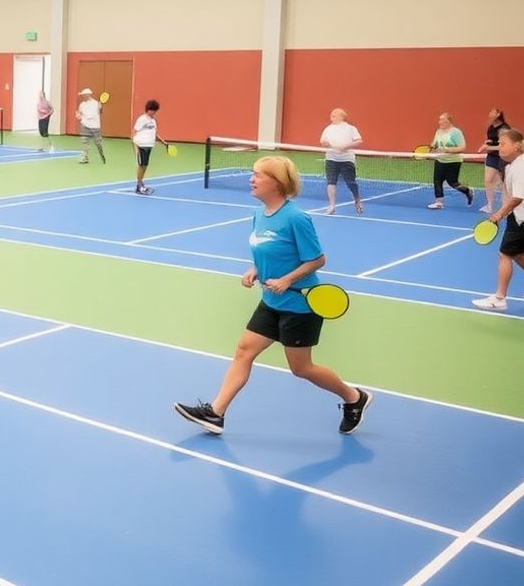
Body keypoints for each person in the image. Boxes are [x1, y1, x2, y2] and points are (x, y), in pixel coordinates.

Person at [174, 156, 371, 435]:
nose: (251, 180)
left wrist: (287, 279)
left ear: (277, 183)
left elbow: (317, 260)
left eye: (258, 175)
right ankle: (215, 413)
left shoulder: (296, 218)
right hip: (271, 301)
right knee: (244, 351)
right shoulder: (258, 215)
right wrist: (254, 268)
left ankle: (354, 397)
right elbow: (265, 252)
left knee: (301, 369)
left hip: (299, 304)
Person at [472, 129, 524, 312]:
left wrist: (498, 215)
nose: (499, 147)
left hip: (523, 218)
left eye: (503, 144)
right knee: (517, 253)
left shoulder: (520, 167)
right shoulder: (516, 163)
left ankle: (499, 298)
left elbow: (517, 198)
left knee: (504, 254)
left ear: (517, 145)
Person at [319, 108, 363, 214]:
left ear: (342, 116)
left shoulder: (351, 128)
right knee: (331, 182)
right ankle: (331, 206)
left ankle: (357, 201)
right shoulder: (328, 128)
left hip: (347, 159)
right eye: (331, 114)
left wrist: (346, 146)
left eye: (335, 114)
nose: (332, 115)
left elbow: (359, 141)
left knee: (351, 183)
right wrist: (324, 142)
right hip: (331, 158)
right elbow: (322, 141)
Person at [427, 111, 474, 209]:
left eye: (442, 119)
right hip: (440, 160)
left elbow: (462, 148)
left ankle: (467, 191)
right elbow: (435, 143)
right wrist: (433, 146)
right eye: (439, 120)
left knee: (453, 183)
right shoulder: (438, 131)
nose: (439, 122)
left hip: (453, 162)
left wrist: (447, 150)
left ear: (448, 121)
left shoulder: (456, 132)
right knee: (437, 180)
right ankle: (439, 202)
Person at [131, 99, 170, 194]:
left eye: (155, 110)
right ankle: (139, 186)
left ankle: (139, 185)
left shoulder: (153, 121)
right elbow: (133, 132)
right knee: (141, 165)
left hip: (149, 146)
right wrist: (134, 145)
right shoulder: (142, 119)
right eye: (153, 110)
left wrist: (163, 142)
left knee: (145, 166)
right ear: (148, 109)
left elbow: (154, 134)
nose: (154, 112)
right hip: (140, 145)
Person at [477, 107, 510, 214]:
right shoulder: (491, 127)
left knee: (504, 182)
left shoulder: (504, 128)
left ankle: (506, 206)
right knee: (488, 180)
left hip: (503, 157)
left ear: (498, 114)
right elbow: (491, 140)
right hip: (492, 157)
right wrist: (486, 143)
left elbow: (504, 146)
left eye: (492, 112)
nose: (490, 114)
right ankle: (490, 205)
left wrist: (488, 148)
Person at [75, 88, 104, 165]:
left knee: (98, 143)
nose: (82, 96)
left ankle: (102, 154)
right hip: (84, 125)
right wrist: (78, 115)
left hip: (95, 126)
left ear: (88, 95)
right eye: (82, 95)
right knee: (84, 142)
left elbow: (100, 111)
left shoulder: (96, 103)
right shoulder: (82, 105)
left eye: (83, 95)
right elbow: (79, 113)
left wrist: (101, 107)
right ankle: (84, 157)